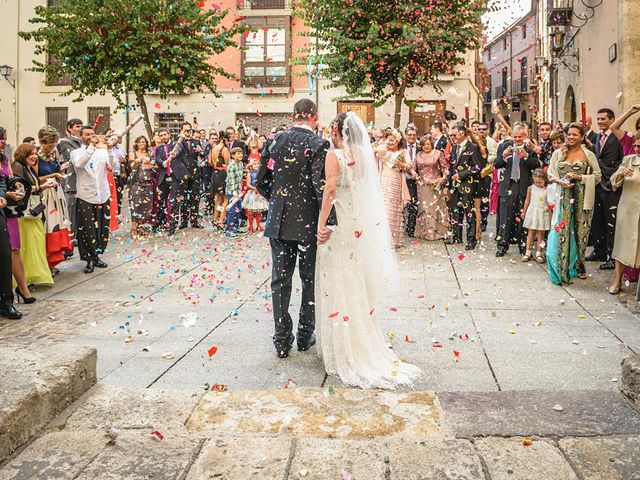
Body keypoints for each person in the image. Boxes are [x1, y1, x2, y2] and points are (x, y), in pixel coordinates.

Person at [316, 111, 423, 389]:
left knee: (339, 277)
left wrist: (321, 224)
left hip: (339, 222)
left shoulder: (334, 155)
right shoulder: (365, 155)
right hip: (357, 223)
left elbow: (330, 190)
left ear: (337, 129)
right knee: (355, 278)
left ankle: (345, 347)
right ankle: (360, 336)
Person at [256, 98, 335, 359]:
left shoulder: (274, 141)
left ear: (293, 116)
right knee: (308, 279)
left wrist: (277, 201)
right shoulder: (317, 143)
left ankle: (281, 340)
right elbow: (319, 185)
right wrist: (326, 221)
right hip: (307, 222)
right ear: (313, 116)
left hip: (278, 221)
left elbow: (260, 181)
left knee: (280, 280)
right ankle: (304, 335)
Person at [547, 124, 602, 285]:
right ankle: (560, 266)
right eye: (569, 134)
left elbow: (597, 176)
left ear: (582, 137)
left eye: (574, 135)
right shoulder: (558, 153)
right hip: (562, 197)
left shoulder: (588, 154)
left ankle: (579, 265)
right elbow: (550, 173)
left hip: (582, 198)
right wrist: (560, 181)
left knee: (580, 232)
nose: (570, 137)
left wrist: (580, 178)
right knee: (560, 230)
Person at [71, 127, 119, 274]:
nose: (91, 136)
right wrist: (91, 146)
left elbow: (115, 167)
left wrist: (110, 149)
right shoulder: (76, 153)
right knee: (86, 229)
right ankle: (88, 259)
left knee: (101, 228)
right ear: (81, 137)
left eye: (92, 134)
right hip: (86, 195)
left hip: (102, 195)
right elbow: (79, 164)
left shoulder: (102, 151)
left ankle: (97, 255)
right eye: (87, 135)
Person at [11, 143, 54, 288]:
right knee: (26, 245)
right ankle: (23, 278)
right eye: (31, 154)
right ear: (23, 154)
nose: (34, 156)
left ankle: (33, 275)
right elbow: (23, 189)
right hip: (24, 214)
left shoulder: (29, 169)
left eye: (35, 154)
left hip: (34, 212)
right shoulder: (17, 167)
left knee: (36, 243)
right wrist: (43, 186)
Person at [587, 108, 624, 271]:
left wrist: (614, 177)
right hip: (598, 183)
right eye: (598, 119)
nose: (600, 122)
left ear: (612, 120)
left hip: (611, 185)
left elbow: (621, 158)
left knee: (611, 222)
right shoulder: (598, 137)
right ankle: (599, 250)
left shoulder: (617, 137)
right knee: (598, 220)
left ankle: (612, 256)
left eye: (603, 119)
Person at [494, 125, 540, 257]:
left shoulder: (529, 147)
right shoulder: (504, 146)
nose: (518, 139)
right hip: (508, 185)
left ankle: (523, 247)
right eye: (515, 137)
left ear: (525, 136)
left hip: (523, 185)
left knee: (522, 219)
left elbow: (536, 166)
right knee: (505, 218)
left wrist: (526, 156)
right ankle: (502, 246)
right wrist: (503, 156)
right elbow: (496, 165)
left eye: (521, 136)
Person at [37, 126, 73, 272]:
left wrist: (62, 169)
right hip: (45, 194)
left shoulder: (55, 152)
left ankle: (53, 261)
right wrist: (54, 176)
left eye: (53, 141)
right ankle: (45, 262)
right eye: (48, 142)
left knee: (58, 225)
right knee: (48, 226)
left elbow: (57, 170)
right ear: (42, 141)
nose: (51, 145)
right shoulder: (36, 156)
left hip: (56, 193)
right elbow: (35, 179)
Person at [608, 133, 640, 294]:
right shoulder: (629, 160)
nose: (636, 149)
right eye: (635, 146)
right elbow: (613, 183)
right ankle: (617, 280)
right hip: (627, 209)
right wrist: (620, 173)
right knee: (622, 245)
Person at [447, 123, 482, 250]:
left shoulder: (473, 147)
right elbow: (451, 167)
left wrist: (461, 175)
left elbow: (477, 168)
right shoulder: (454, 147)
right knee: (456, 211)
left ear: (462, 133)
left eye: (454, 134)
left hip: (468, 185)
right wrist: (448, 183)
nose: (453, 137)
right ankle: (457, 236)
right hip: (455, 186)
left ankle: (471, 239)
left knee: (469, 212)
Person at [376, 130, 412, 248]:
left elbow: (409, 166)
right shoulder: (382, 149)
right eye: (388, 140)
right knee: (384, 211)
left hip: (396, 183)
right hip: (384, 182)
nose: (390, 142)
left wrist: (400, 164)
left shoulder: (403, 152)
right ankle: (382, 239)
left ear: (398, 141)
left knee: (393, 211)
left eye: (392, 140)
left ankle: (393, 240)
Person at [0, 128, 22, 319]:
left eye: (4, 139)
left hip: (1, 214)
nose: (3, 142)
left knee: (5, 255)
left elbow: (1, 181)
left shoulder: (2, 159)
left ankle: (7, 302)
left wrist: (2, 195)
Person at [412, 135, 449, 240]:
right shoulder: (418, 155)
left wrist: (443, 178)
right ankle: (425, 231)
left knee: (435, 207)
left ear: (431, 144)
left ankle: (437, 231)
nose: (426, 146)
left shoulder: (438, 154)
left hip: (435, 185)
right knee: (424, 208)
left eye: (428, 144)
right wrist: (414, 174)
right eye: (424, 144)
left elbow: (445, 168)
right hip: (422, 186)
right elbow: (412, 168)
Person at [167, 122, 204, 230]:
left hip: (194, 172)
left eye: (190, 130)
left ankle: (194, 220)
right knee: (182, 198)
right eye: (186, 130)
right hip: (182, 173)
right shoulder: (177, 142)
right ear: (182, 131)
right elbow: (174, 155)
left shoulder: (196, 141)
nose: (188, 132)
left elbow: (202, 155)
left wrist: (200, 151)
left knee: (195, 197)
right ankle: (183, 221)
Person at [57, 118, 83, 251]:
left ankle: (80, 240)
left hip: (85, 184)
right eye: (77, 126)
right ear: (69, 128)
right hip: (71, 184)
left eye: (81, 126)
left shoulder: (84, 141)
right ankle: (69, 246)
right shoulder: (64, 143)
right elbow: (73, 158)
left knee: (82, 216)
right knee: (71, 216)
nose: (80, 129)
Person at [128, 136, 157, 238]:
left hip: (148, 182)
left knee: (146, 207)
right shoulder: (133, 153)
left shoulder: (150, 153)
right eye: (139, 142)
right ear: (136, 143)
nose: (141, 144)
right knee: (135, 205)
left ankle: (140, 225)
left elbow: (155, 166)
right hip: (136, 183)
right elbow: (131, 165)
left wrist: (149, 163)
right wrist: (138, 160)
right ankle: (134, 228)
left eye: (143, 142)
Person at [521, 168, 551, 263]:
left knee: (541, 234)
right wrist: (524, 211)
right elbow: (527, 200)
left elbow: (550, 200)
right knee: (530, 233)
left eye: (540, 182)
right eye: (536, 182)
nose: (538, 184)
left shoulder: (547, 189)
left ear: (545, 180)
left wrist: (549, 207)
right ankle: (528, 252)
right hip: (533, 211)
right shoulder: (531, 188)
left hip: (543, 212)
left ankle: (539, 252)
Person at [209, 131, 230, 230]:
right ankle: (221, 221)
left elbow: (210, 162)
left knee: (217, 199)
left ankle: (215, 220)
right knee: (225, 199)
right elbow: (228, 164)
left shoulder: (213, 148)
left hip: (215, 173)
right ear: (224, 139)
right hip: (223, 174)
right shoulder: (224, 149)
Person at [153, 128, 173, 233]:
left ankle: (172, 224)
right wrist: (162, 162)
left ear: (169, 134)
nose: (163, 137)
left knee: (173, 202)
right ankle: (160, 223)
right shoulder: (159, 148)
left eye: (165, 134)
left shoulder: (175, 146)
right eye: (161, 135)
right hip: (163, 177)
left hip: (174, 177)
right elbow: (157, 159)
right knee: (161, 200)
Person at [243, 158, 268, 232]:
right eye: (254, 164)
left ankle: (258, 225)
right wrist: (255, 189)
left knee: (258, 210)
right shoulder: (250, 174)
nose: (256, 166)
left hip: (259, 193)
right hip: (252, 193)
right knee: (251, 210)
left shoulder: (260, 174)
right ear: (251, 165)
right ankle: (250, 225)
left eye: (257, 164)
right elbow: (248, 184)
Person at [225, 147, 245, 235]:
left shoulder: (240, 163)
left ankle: (235, 227)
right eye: (238, 153)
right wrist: (234, 193)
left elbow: (241, 176)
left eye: (241, 153)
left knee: (238, 209)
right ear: (233, 155)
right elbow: (231, 180)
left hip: (239, 190)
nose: (240, 155)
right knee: (232, 210)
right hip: (232, 191)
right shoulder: (231, 165)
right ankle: (229, 230)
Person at [404, 126, 419, 238]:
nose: (411, 137)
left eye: (413, 135)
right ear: (406, 135)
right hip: (403, 178)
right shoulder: (402, 147)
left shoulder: (420, 147)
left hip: (416, 180)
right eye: (409, 134)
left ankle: (411, 228)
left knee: (413, 205)